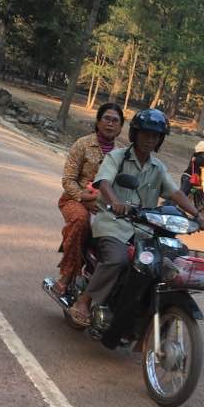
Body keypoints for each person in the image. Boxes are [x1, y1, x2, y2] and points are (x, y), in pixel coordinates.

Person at [68, 109, 204, 326]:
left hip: (144, 230)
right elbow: (104, 182)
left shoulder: (158, 167)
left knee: (168, 261)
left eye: (155, 136)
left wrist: (198, 215)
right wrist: (115, 200)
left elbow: (175, 193)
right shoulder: (116, 157)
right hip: (113, 223)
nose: (150, 140)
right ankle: (85, 301)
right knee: (118, 259)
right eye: (145, 134)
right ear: (135, 134)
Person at [51, 102, 125, 298]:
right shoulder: (82, 144)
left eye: (115, 120)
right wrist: (83, 197)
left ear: (120, 127)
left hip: (106, 205)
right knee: (80, 221)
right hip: (75, 200)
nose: (110, 124)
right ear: (98, 122)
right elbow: (68, 180)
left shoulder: (123, 154)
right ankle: (67, 274)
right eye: (106, 119)